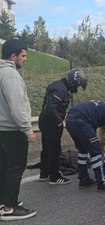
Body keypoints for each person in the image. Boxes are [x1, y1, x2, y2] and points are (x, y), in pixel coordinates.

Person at [0, 39, 37, 221]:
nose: (25, 59)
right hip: (13, 130)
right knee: (15, 168)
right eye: (23, 56)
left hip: (2, 130)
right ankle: (9, 208)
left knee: (4, 167)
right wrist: (27, 129)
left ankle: (4, 201)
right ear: (13, 56)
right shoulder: (11, 75)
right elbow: (17, 107)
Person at [38, 68, 87, 185]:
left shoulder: (59, 86)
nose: (78, 88)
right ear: (74, 81)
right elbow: (50, 108)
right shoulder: (61, 90)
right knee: (55, 150)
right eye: (78, 85)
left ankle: (44, 173)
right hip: (51, 123)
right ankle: (54, 177)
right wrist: (59, 121)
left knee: (46, 148)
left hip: (44, 121)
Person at [65, 98, 105, 192]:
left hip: (69, 120)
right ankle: (102, 184)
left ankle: (83, 179)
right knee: (96, 152)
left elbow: (93, 124)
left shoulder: (102, 107)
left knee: (82, 151)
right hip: (81, 121)